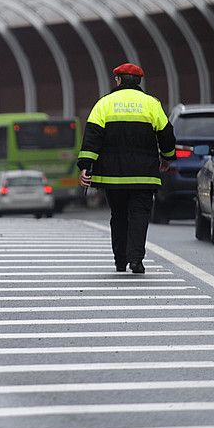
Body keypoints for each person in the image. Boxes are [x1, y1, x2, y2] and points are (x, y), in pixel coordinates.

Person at [76, 63, 176, 273]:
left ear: (118, 80)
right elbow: (166, 134)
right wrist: (167, 158)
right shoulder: (151, 104)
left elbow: (93, 136)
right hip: (144, 175)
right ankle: (136, 260)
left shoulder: (104, 104)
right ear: (138, 81)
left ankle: (120, 260)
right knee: (139, 215)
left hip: (113, 176)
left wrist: (85, 166)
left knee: (118, 215)